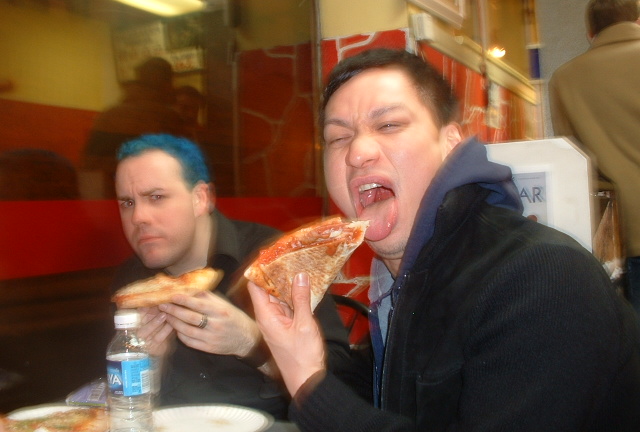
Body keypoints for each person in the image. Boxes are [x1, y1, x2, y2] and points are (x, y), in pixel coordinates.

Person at [247, 48, 640, 431]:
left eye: (389, 125)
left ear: (450, 143)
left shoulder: (542, 276)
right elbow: (377, 394)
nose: (357, 152)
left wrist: (309, 384)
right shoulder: (405, 281)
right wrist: (268, 348)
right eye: (338, 138)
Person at [110, 133, 350, 419]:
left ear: (200, 198)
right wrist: (150, 366)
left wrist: (250, 342)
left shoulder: (274, 259)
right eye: (127, 203)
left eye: (156, 197)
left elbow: (343, 378)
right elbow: (121, 400)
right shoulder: (131, 285)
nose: (138, 217)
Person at [549, 0, 640, 315]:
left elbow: (572, 160)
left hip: (622, 232)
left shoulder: (564, 79)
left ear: (590, 32)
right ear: (637, 20)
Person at [81, 57, 193, 199]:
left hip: (114, 198)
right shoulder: (169, 119)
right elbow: (186, 168)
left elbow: (90, 166)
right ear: (167, 84)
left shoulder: (109, 116)